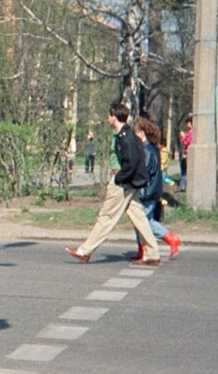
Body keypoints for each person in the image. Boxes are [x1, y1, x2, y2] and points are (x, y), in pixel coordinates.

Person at [64, 102, 161, 265]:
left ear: (114, 117)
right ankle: (153, 254)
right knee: (139, 218)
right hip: (130, 184)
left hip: (123, 184)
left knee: (106, 217)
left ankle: (85, 251)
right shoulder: (129, 135)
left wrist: (119, 178)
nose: (107, 118)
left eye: (109, 115)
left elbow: (132, 163)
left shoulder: (126, 137)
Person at [132, 118, 180, 262]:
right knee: (143, 221)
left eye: (136, 133)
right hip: (150, 191)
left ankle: (169, 239)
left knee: (143, 222)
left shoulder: (147, 150)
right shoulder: (150, 148)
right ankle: (142, 249)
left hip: (146, 192)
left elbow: (144, 172)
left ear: (142, 133)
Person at [177, 116, 193, 192]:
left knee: (184, 171)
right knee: (184, 170)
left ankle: (183, 186)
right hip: (186, 153)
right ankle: (183, 185)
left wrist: (183, 137)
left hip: (188, 154)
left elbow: (187, 142)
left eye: (188, 123)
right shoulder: (189, 131)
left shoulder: (191, 132)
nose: (187, 124)